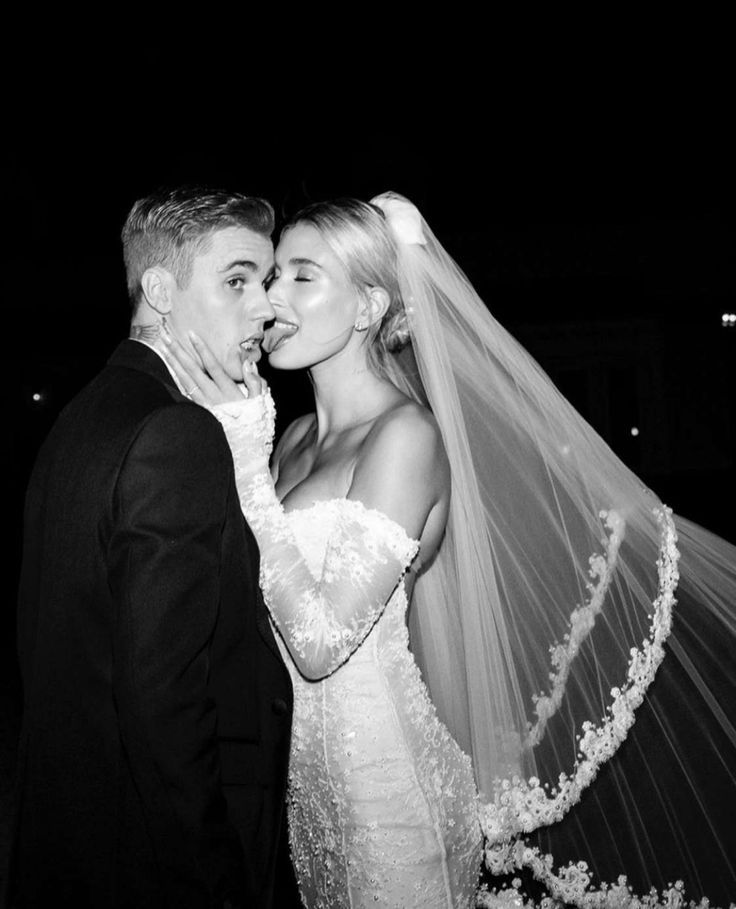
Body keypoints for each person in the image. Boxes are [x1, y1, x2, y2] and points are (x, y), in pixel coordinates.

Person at [163, 193, 736, 909]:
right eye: (273, 275)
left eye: (301, 276)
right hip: (304, 796)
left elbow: (318, 643)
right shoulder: (294, 438)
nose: (273, 297)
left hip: (389, 797)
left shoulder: (404, 437)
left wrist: (243, 461)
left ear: (370, 306)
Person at [5, 187, 294, 909]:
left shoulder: (84, 414)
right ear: (160, 290)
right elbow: (166, 706)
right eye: (237, 280)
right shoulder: (178, 435)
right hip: (156, 869)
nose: (264, 306)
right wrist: (220, 888)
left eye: (263, 282)